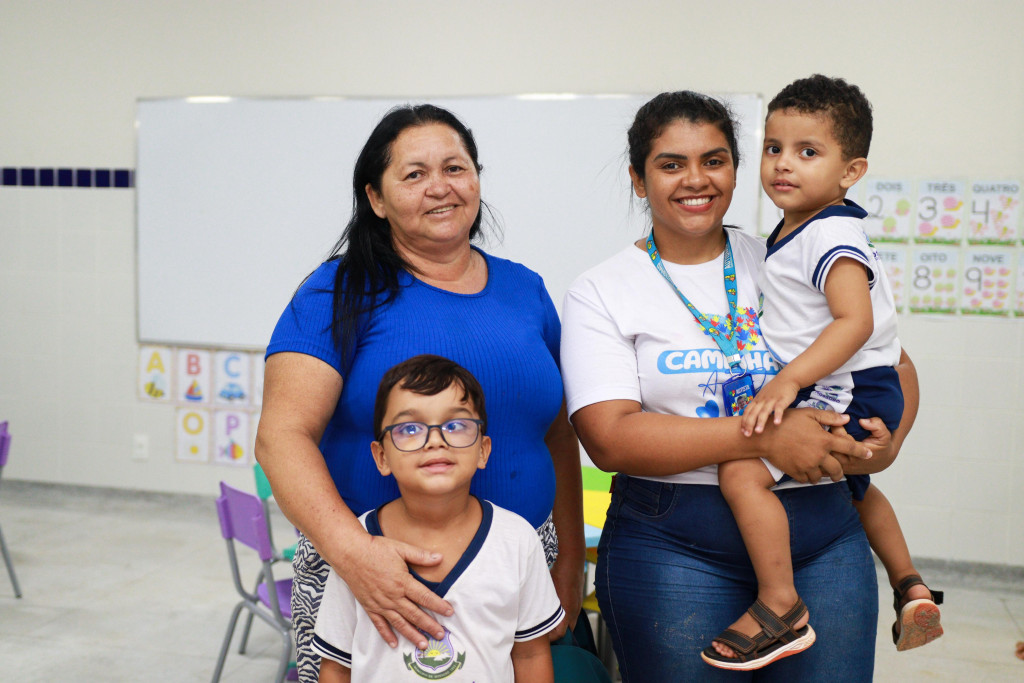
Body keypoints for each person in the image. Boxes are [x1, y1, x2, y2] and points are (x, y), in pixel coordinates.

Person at [560, 90, 920, 681]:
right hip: (674, 545)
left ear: (734, 168)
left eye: (715, 159)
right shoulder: (602, 291)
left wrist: (885, 445)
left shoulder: (784, 254)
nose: (694, 180)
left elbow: (892, 358)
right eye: (670, 164)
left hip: (823, 534)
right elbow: (610, 439)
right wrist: (765, 441)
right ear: (637, 178)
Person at [255, 104, 584, 682]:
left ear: (477, 179)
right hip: (369, 564)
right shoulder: (336, 291)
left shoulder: (524, 289)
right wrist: (357, 558)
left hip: (514, 565)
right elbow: (282, 437)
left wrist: (570, 566)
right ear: (376, 199)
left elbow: (556, 434)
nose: (440, 187)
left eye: (455, 168)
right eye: (414, 174)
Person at [703, 75, 942, 670]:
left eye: (809, 152)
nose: (785, 164)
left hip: (846, 385)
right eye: (774, 147)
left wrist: (787, 382)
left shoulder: (829, 233)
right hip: (859, 384)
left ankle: (780, 605)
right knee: (856, 489)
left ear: (851, 171)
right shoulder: (797, 231)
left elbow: (853, 321)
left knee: (738, 471)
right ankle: (910, 584)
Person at [313, 355, 564, 683]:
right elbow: (336, 666)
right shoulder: (356, 544)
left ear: (483, 450)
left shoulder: (517, 540)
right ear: (381, 456)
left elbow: (531, 654)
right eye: (410, 428)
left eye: (456, 425)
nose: (435, 440)